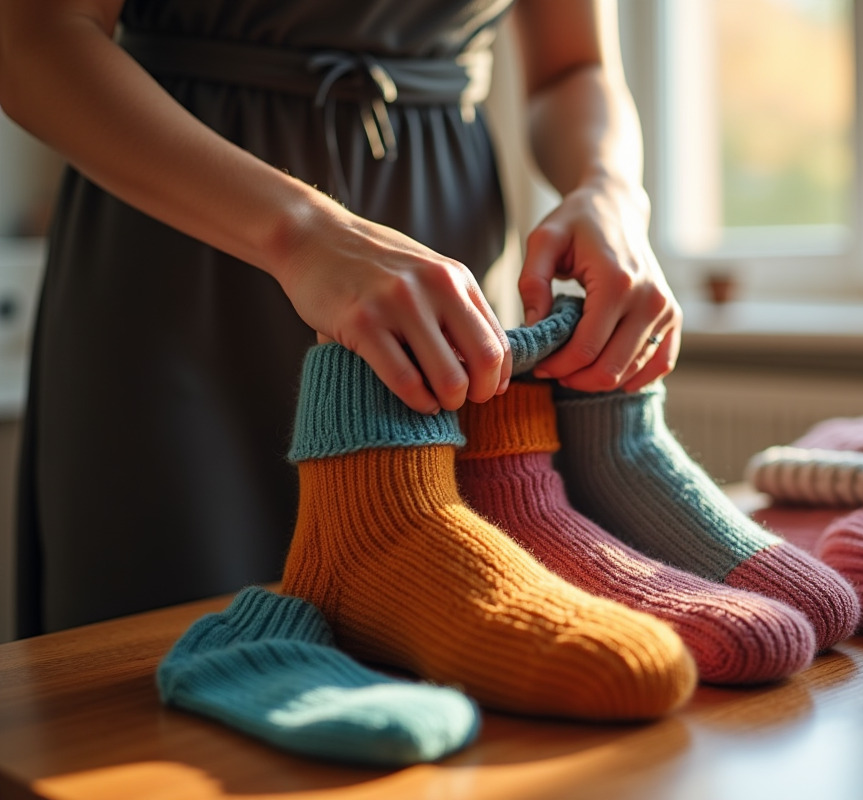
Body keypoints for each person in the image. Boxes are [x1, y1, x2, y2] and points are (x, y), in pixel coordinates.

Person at [0, 0, 682, 636]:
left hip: (443, 245)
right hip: (185, 238)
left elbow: (576, 67)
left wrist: (611, 189)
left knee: (444, 640)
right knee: (153, 655)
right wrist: (302, 233)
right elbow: (34, 38)